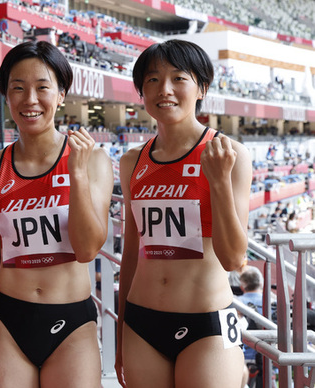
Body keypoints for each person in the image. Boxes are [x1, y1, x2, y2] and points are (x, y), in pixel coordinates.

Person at [115, 39, 252, 387]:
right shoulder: (132, 161)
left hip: (208, 323)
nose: (165, 90)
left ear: (201, 87)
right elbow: (131, 252)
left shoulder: (230, 154)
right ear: (141, 92)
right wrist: (119, 330)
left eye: (179, 78)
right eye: (152, 80)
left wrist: (218, 181)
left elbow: (235, 259)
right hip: (142, 324)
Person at [0, 41, 112, 387]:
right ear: (6, 96)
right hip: (9, 319)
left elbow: (87, 250)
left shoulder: (92, 160)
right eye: (17, 88)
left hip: (71, 321)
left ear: (62, 94)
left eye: (42, 88)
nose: (30, 100)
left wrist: (76, 175)